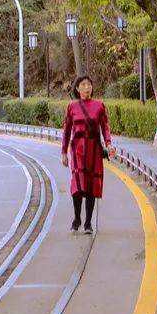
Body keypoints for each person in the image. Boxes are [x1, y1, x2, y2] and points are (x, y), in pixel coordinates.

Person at [61, 75, 115, 233]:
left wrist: (109, 143)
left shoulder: (99, 106)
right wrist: (64, 152)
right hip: (77, 150)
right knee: (77, 185)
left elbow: (105, 127)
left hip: (94, 149)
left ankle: (88, 223)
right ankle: (77, 218)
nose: (86, 87)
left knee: (91, 186)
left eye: (89, 84)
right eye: (83, 84)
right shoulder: (72, 107)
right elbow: (66, 130)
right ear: (77, 88)